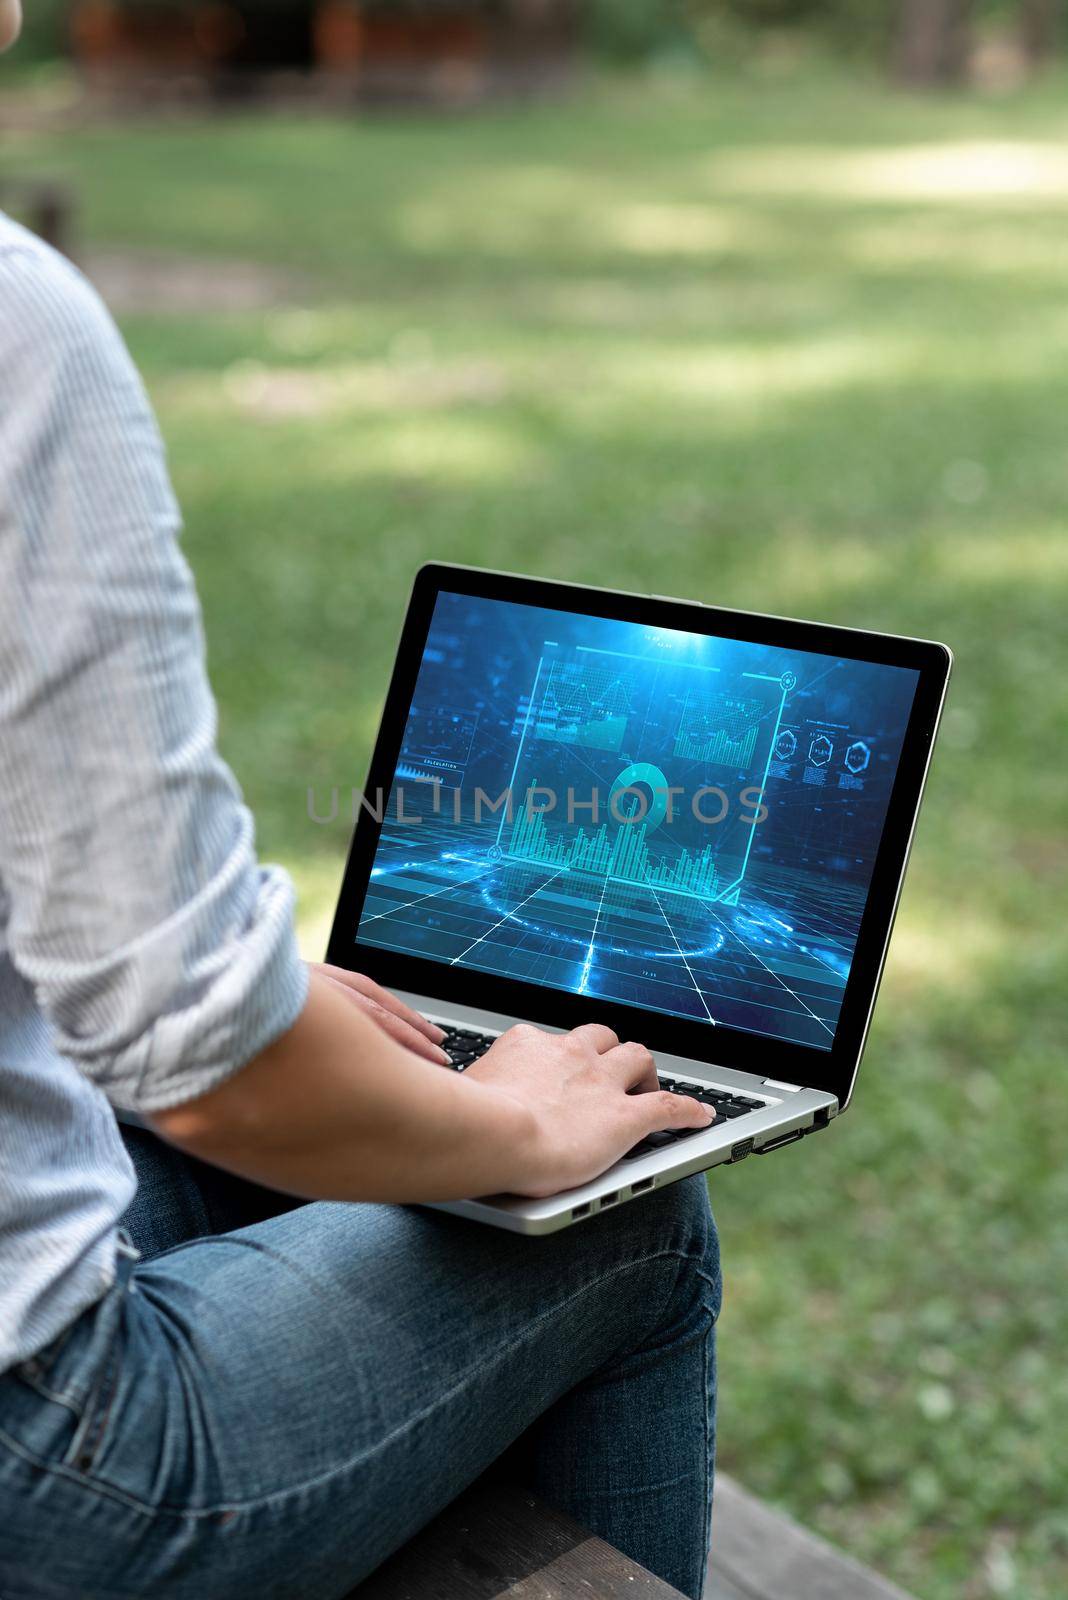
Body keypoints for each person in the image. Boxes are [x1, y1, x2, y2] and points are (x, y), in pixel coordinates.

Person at [0, 4, 721, 1594]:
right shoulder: (14, 327)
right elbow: (211, 1076)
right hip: (45, 1472)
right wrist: (516, 1127)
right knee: (627, 1218)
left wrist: (233, 995)